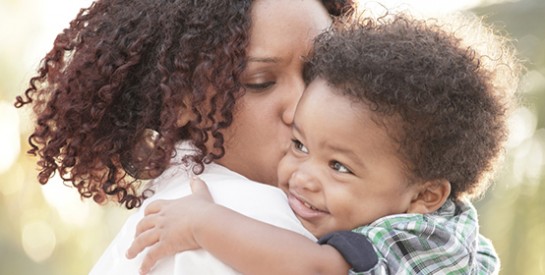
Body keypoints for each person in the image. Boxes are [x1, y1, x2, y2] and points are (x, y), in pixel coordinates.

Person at [127, 12, 521, 274]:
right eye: (300, 146)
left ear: (427, 195)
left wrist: (204, 223)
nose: (303, 177)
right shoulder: (422, 212)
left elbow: (315, 269)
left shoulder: (414, 238)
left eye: (339, 167)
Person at [14, 0, 356, 274]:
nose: (302, 106)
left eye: (321, 73)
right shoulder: (251, 224)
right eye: (261, 81)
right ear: (179, 100)